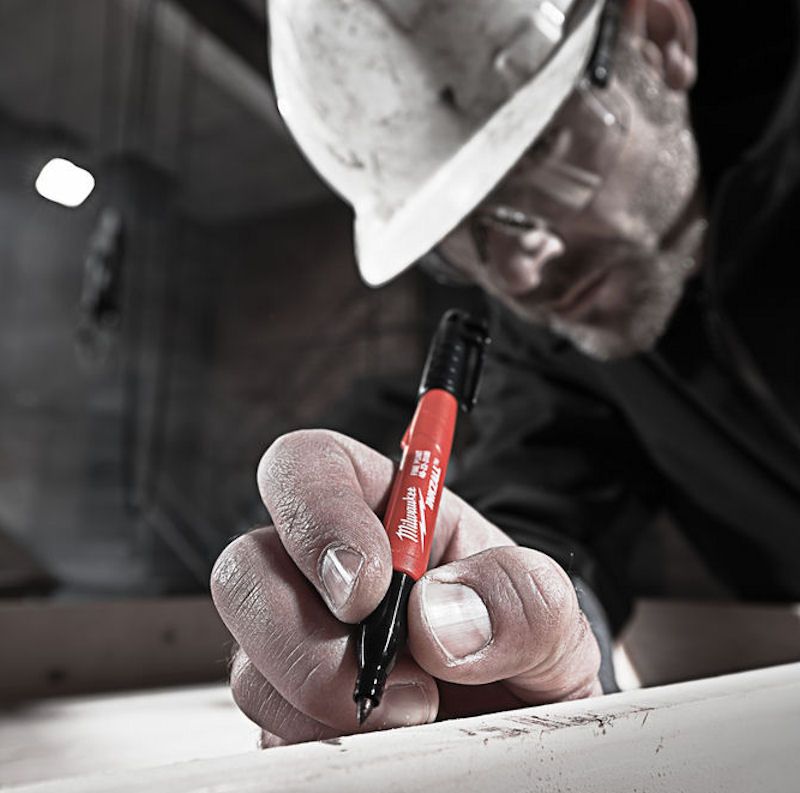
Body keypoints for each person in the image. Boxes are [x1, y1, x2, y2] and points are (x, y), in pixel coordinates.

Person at [211, 0, 800, 747]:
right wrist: (510, 639)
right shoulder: (558, 335)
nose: (521, 268)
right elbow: (543, 511)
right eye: (466, 232)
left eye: (540, 157)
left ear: (660, 38)